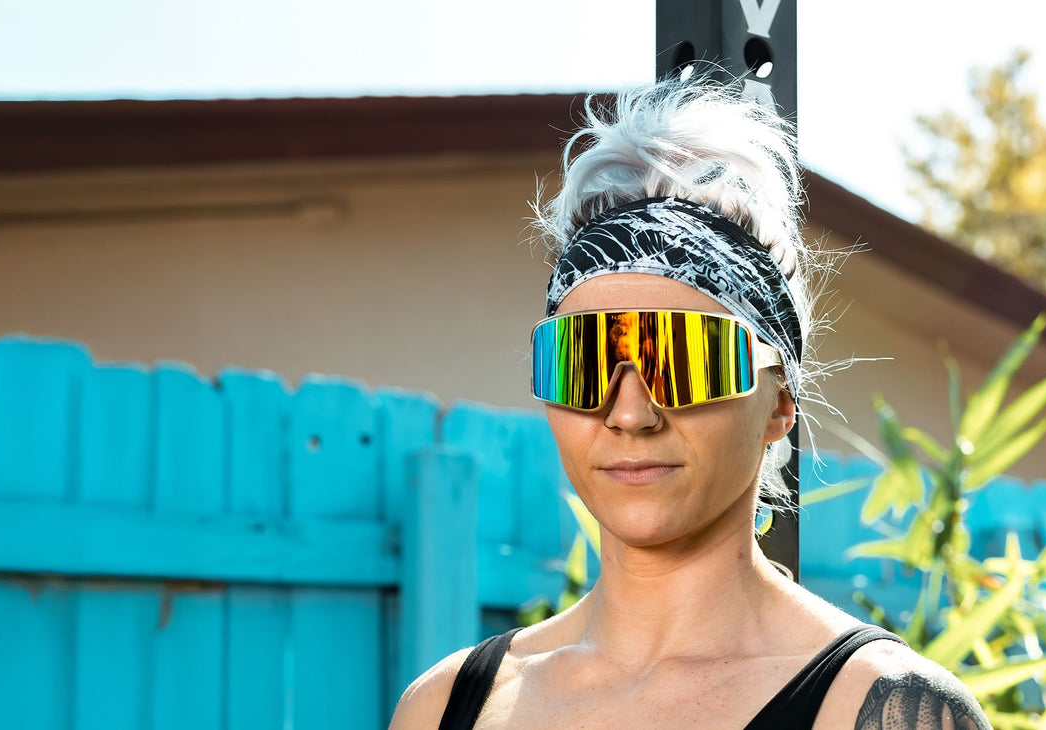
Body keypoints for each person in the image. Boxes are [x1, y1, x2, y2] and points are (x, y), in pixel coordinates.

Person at [389, 78, 991, 730]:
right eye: (583, 360)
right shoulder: (445, 707)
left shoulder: (880, 710)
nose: (629, 413)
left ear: (779, 403)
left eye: (682, 359)